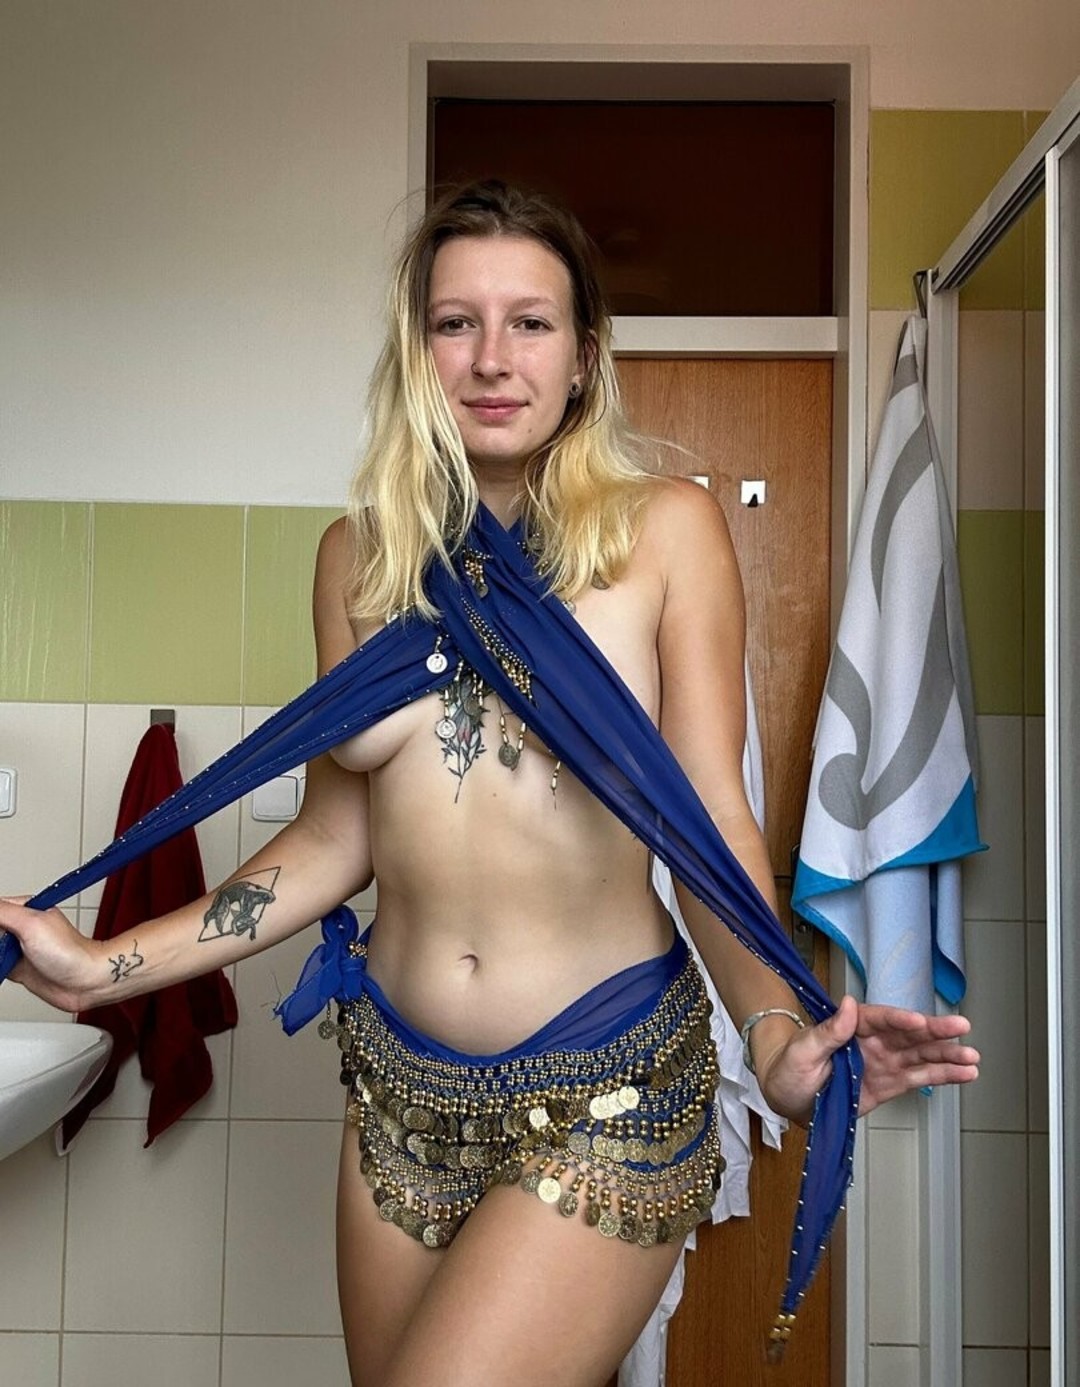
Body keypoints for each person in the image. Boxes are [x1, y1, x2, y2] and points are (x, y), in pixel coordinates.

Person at [0, 181, 979, 1387]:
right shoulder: (358, 559)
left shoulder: (666, 532)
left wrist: (775, 1032)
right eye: (455, 323)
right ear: (417, 353)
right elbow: (332, 839)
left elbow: (711, 826)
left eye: (530, 322)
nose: (492, 358)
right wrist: (101, 965)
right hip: (398, 1094)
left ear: (584, 355)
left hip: (609, 1085)